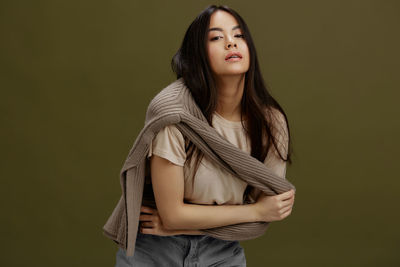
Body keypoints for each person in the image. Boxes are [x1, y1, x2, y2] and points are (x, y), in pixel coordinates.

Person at [115, 4, 295, 267]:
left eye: (238, 35)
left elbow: (272, 210)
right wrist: (253, 210)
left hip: (222, 252)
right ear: (197, 54)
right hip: (155, 251)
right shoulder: (173, 113)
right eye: (216, 37)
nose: (231, 43)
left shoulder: (271, 121)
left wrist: (180, 226)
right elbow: (173, 214)